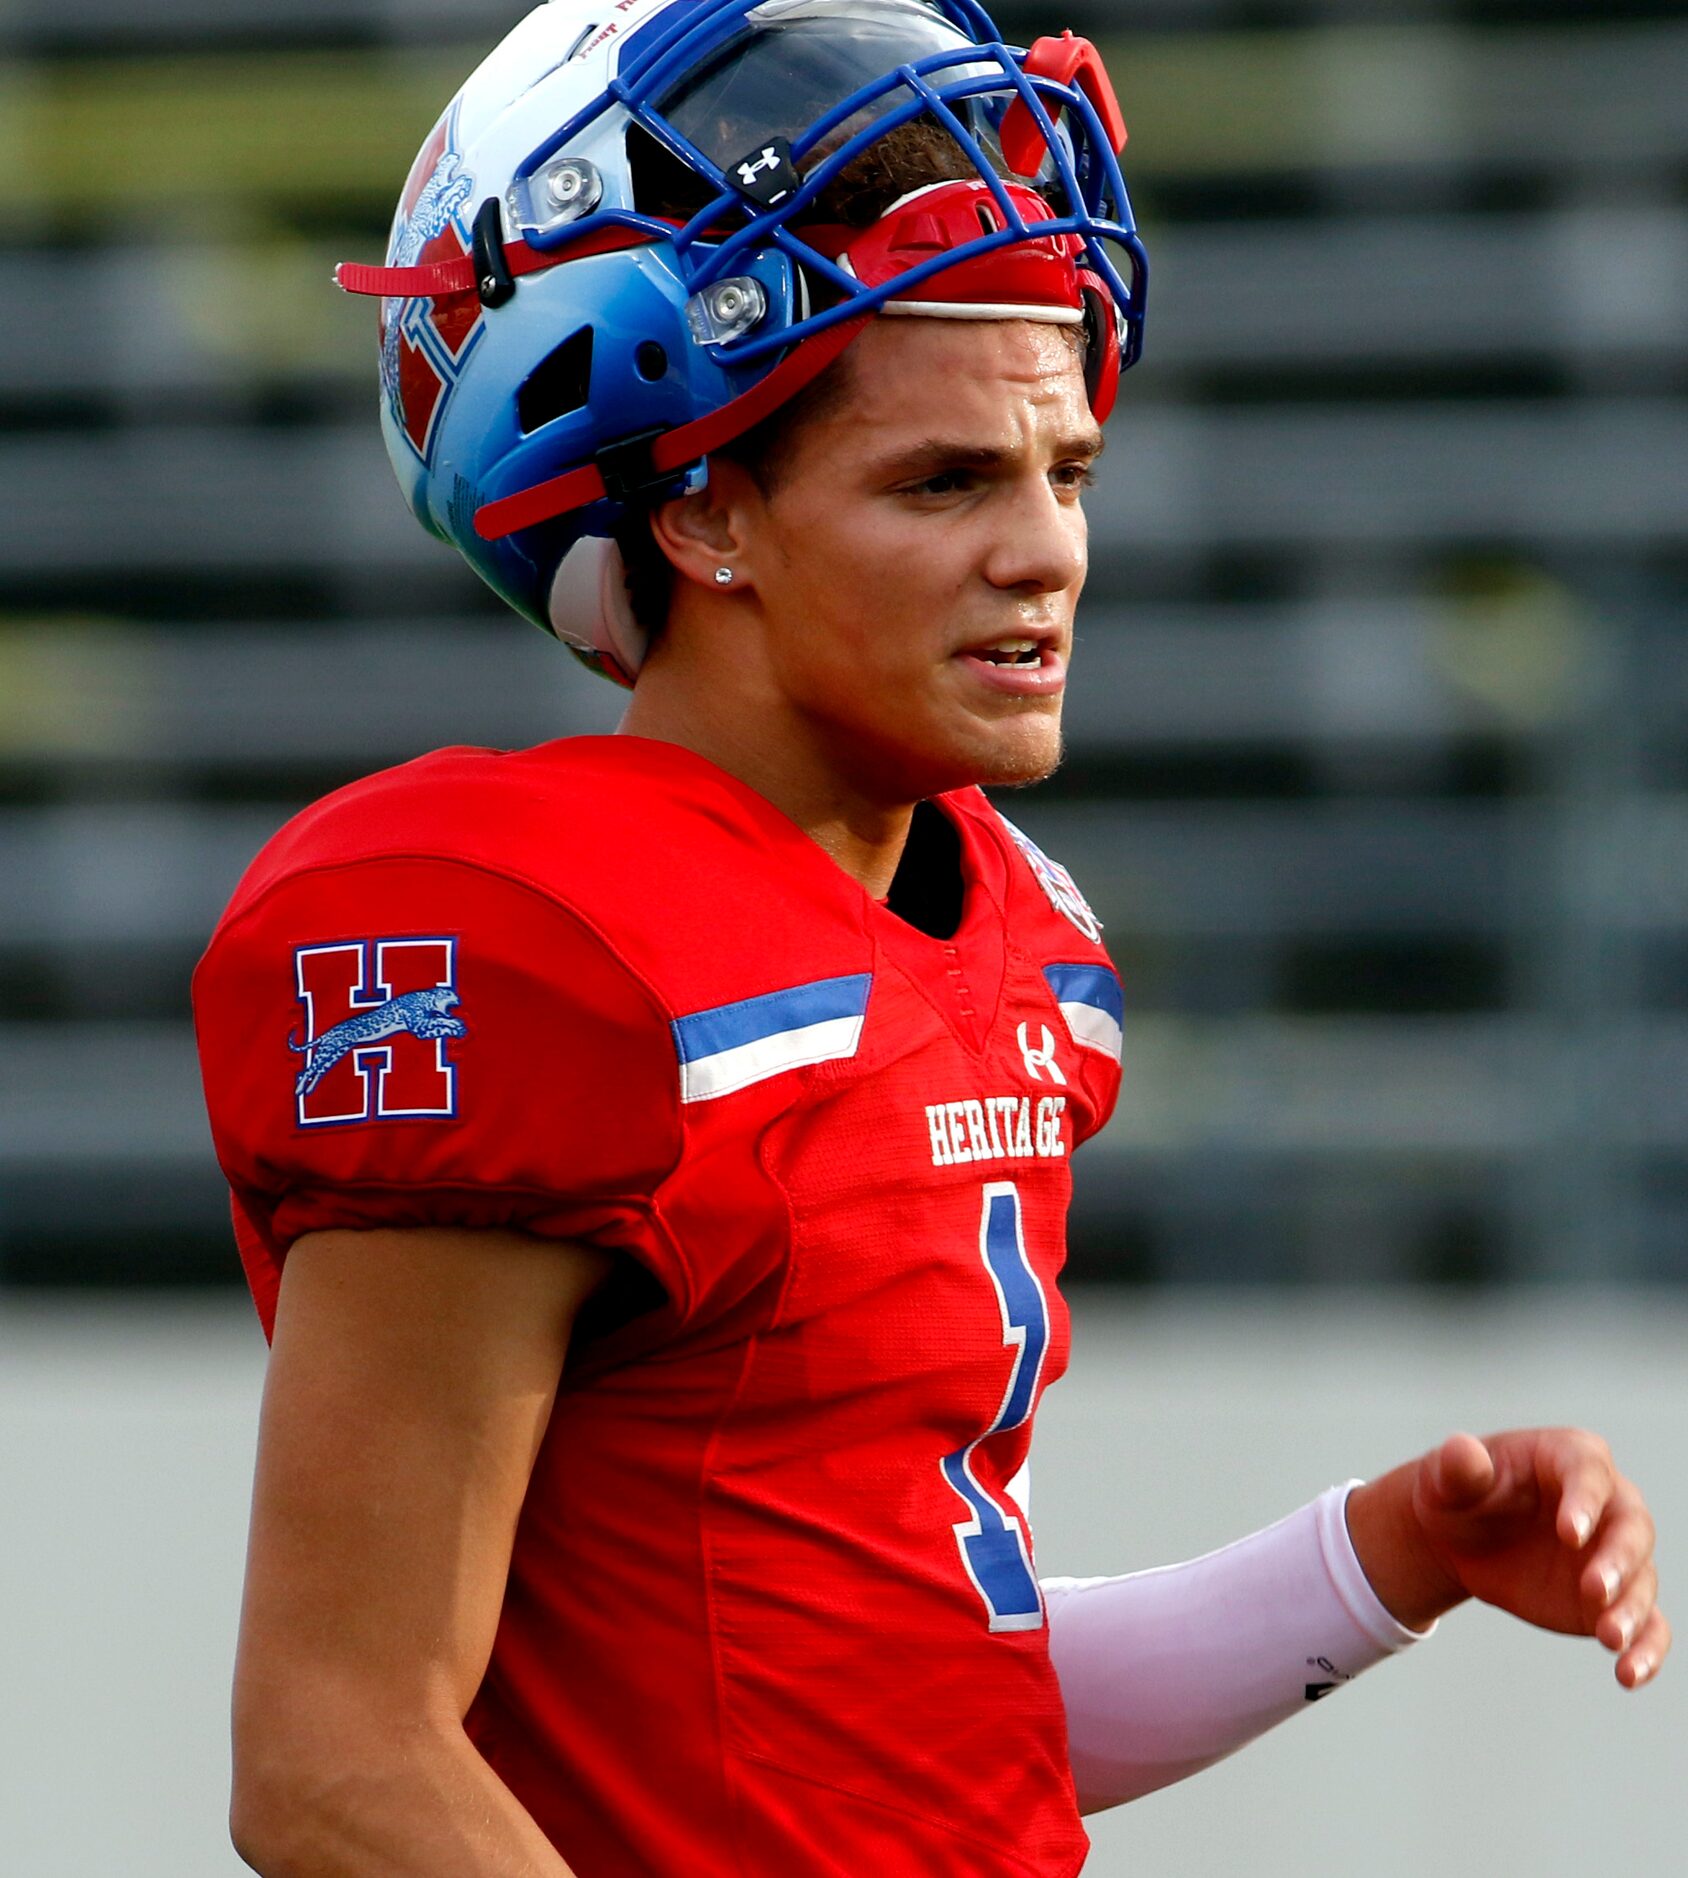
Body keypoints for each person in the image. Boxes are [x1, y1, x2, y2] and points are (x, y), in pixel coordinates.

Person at [192, 4, 1668, 1873]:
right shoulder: (537, 944)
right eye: (945, 480)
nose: (1046, 549)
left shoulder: (1019, 948)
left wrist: (1377, 1563)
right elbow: (336, 1756)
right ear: (706, 504)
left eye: (1068, 473)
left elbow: (911, 1695)